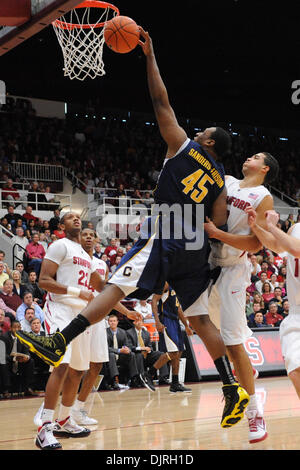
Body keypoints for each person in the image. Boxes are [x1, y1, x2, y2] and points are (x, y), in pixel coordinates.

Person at [16, 28, 249, 429]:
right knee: (199, 319)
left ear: (208, 140)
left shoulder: (184, 146)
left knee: (115, 286)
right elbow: (220, 221)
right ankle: (231, 387)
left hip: (167, 231)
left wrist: (149, 58)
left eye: (203, 132)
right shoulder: (221, 177)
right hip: (195, 245)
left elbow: (161, 100)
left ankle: (58, 339)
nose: (198, 132)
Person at [203, 149, 279, 443]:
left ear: (265, 169)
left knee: (233, 345)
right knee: (202, 326)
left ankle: (255, 415)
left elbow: (255, 244)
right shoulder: (228, 181)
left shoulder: (263, 196)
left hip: (234, 268)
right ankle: (245, 370)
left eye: (257, 157)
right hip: (209, 263)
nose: (250, 157)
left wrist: (216, 233)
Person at [245, 207, 300, 401]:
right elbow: (279, 246)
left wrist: (271, 225)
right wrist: (257, 228)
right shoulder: (296, 229)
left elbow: (296, 249)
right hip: (295, 313)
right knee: (294, 367)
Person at [152, 282, 193, 393]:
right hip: (166, 320)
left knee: (178, 353)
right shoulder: (165, 283)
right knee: (173, 353)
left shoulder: (175, 286)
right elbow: (154, 300)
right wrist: (157, 321)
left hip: (175, 321)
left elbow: (178, 309)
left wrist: (186, 325)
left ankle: (175, 383)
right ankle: (149, 374)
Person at [105, 313, 147, 390]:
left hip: (121, 355)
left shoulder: (123, 332)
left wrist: (127, 349)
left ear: (117, 322)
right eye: (111, 321)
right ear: (108, 322)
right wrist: (118, 350)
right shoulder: (105, 332)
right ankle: (114, 381)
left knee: (132, 354)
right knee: (111, 355)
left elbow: (127, 345)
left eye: (114, 321)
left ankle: (133, 378)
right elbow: (105, 347)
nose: (113, 322)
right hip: (109, 356)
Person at [126, 316, 170, 387]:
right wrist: (142, 348)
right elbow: (130, 347)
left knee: (161, 354)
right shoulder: (128, 332)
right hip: (136, 355)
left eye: (141, 321)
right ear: (134, 322)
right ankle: (141, 379)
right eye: (138, 321)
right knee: (139, 355)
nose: (140, 322)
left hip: (147, 355)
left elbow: (150, 346)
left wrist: (148, 350)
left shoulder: (146, 333)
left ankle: (163, 377)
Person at [0, 320, 36, 396]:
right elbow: (2, 354)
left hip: (19, 363)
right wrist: (14, 359)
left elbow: (26, 351)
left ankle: (28, 388)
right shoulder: (3, 337)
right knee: (3, 362)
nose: (17, 329)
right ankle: (6, 390)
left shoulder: (23, 337)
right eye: (15, 327)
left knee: (31, 361)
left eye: (19, 327)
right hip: (9, 362)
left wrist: (27, 357)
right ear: (10, 328)